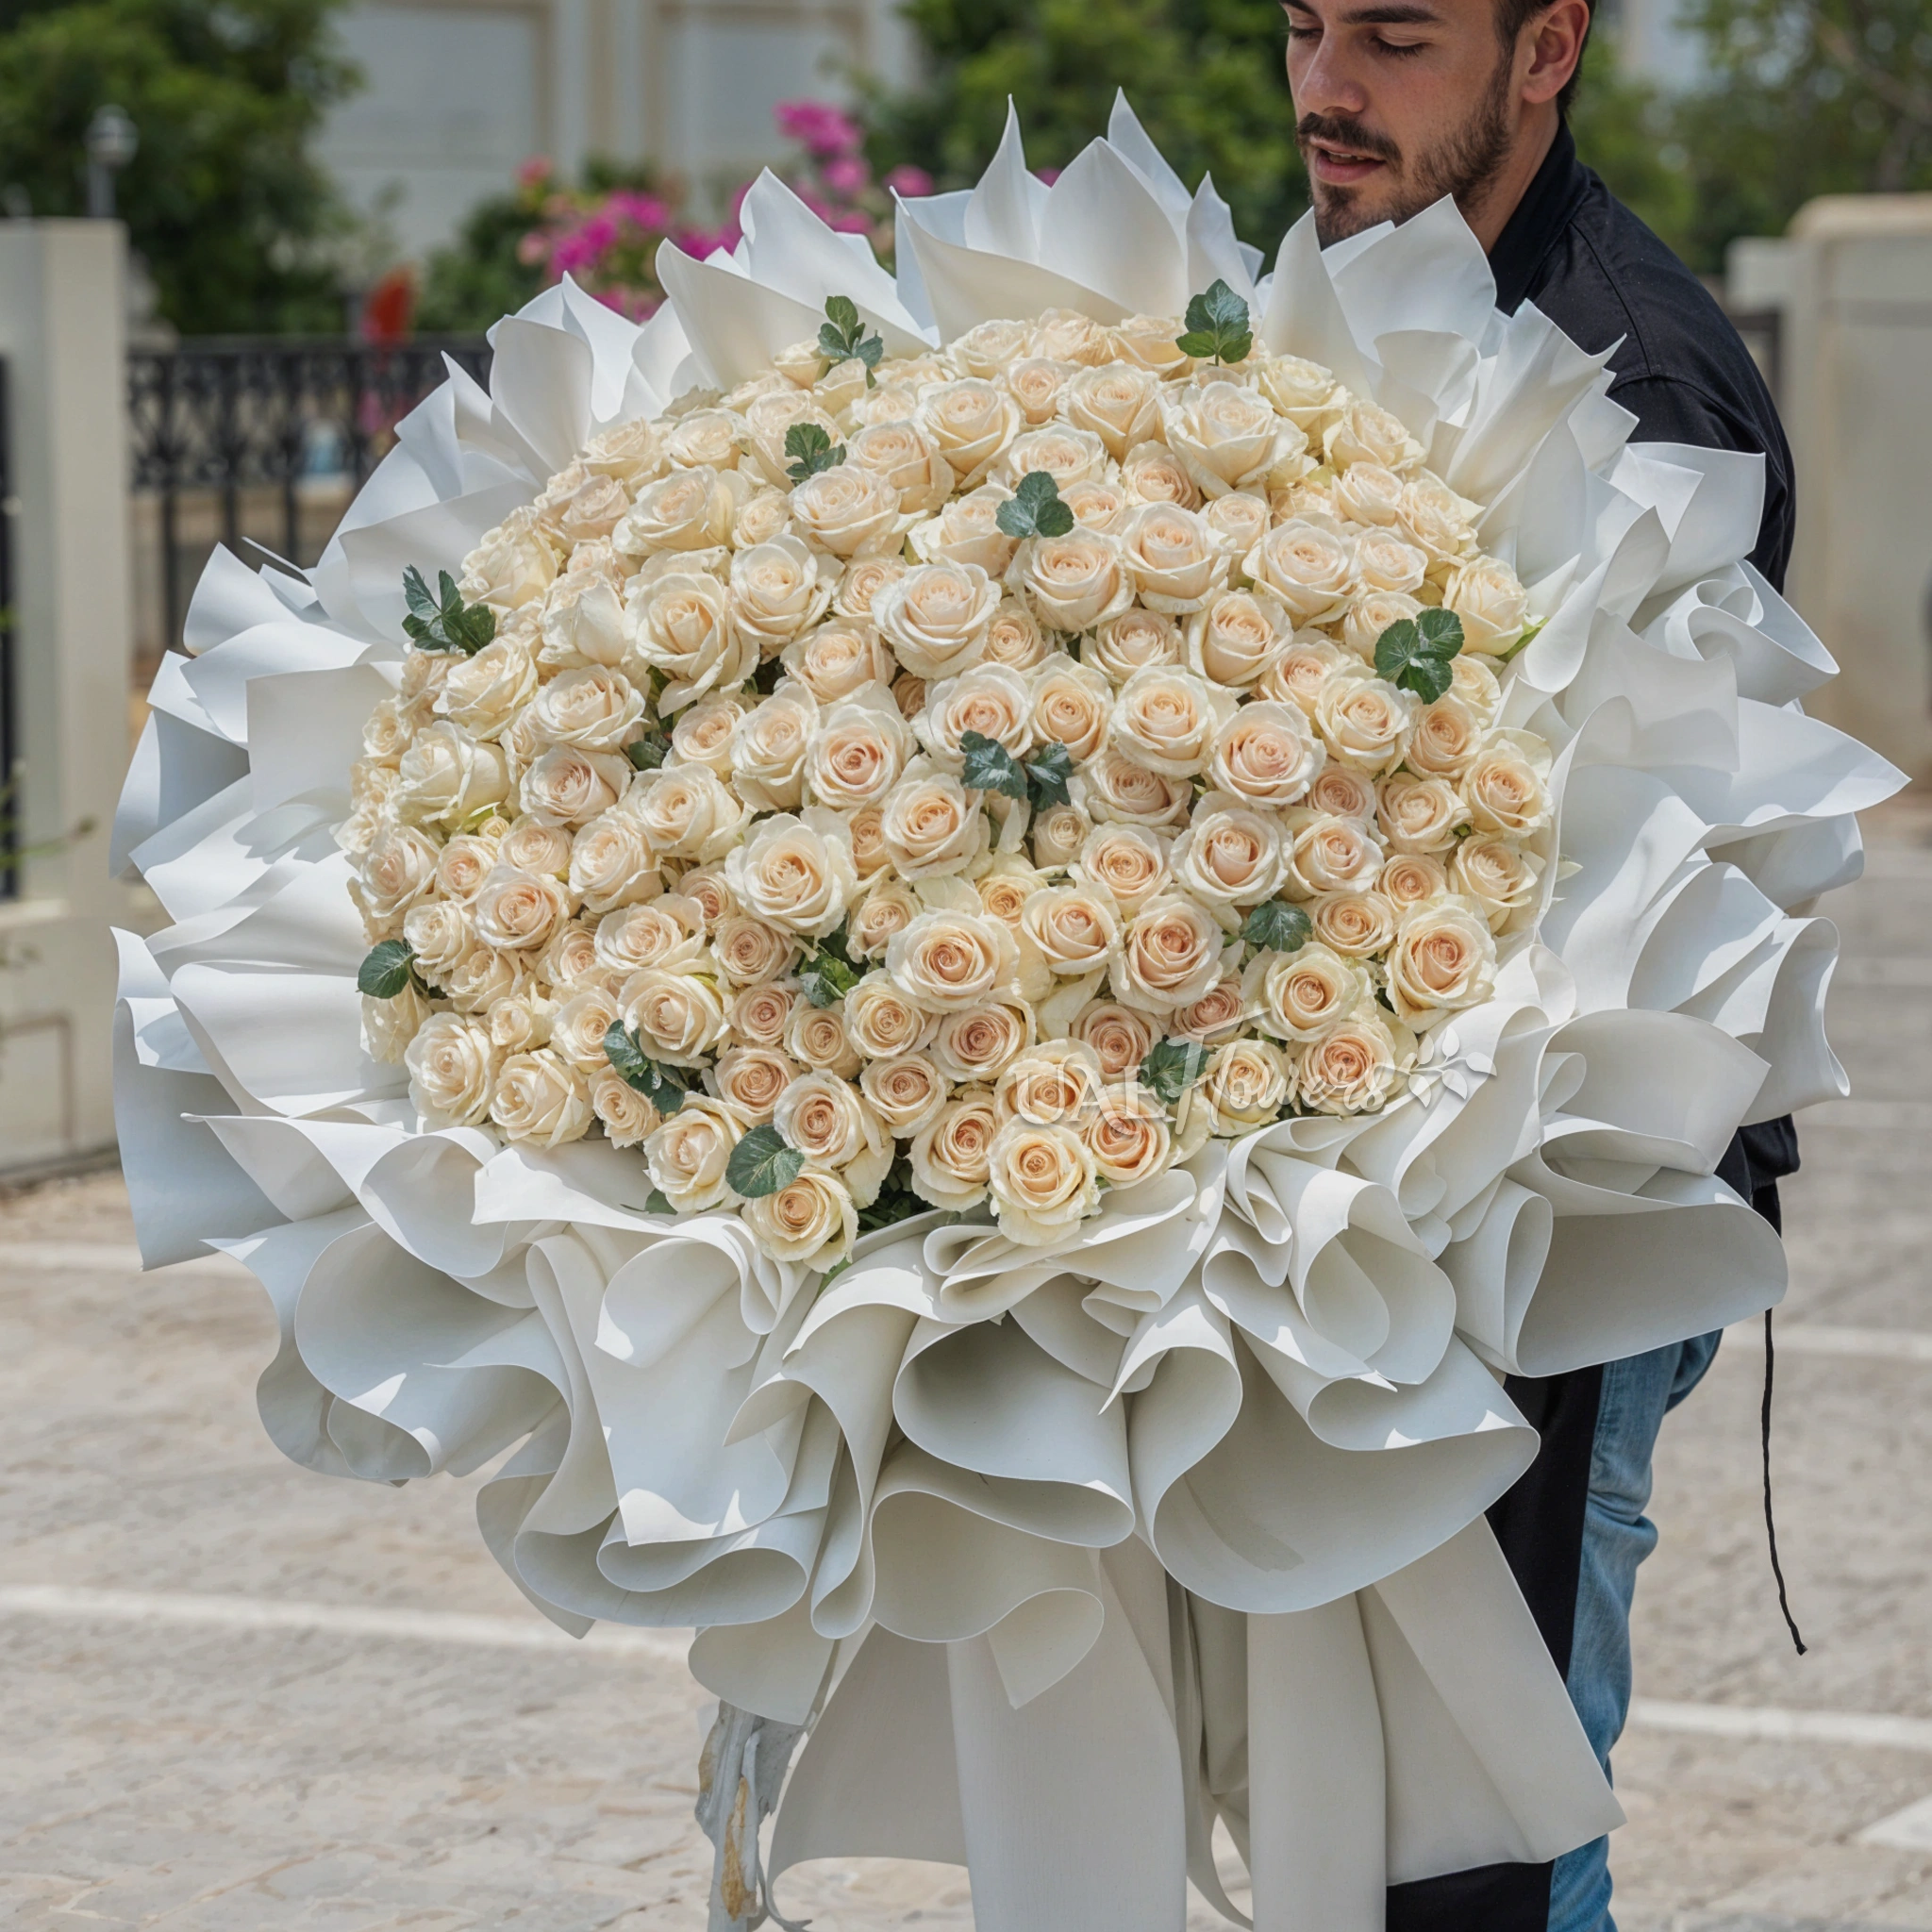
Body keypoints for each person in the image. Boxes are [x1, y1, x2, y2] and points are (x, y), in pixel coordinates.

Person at [1279, 1, 1799, 1927]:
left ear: (1547, 49)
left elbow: (1640, 852)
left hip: (1563, 1211)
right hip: (1385, 1192)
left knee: (1488, 1830)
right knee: (1373, 1808)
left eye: (1396, 38)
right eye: (1303, 27)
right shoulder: (1370, 286)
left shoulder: (1639, 379)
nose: (1328, 88)